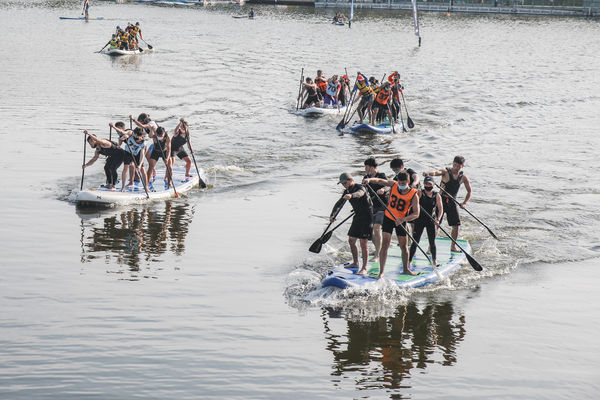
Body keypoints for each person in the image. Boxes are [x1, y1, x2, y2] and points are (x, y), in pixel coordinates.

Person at [363, 172, 420, 278]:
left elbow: (416, 214)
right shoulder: (394, 184)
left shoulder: (413, 194)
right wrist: (369, 180)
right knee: (385, 244)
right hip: (388, 218)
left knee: (403, 246)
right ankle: (381, 272)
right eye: (399, 182)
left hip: (401, 221)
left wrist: (403, 219)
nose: (401, 185)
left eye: (403, 183)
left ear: (408, 182)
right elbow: (380, 181)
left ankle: (406, 269)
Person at [423, 156, 472, 252]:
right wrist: (428, 173)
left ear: (462, 166)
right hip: (440, 201)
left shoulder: (463, 178)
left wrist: (464, 203)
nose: (455, 167)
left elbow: (469, 191)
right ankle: (430, 247)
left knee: (456, 226)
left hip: (452, 202)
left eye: (458, 166)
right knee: (436, 224)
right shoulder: (445, 172)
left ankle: (453, 246)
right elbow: (435, 173)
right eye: (454, 165)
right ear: (452, 163)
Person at [330, 173, 373, 275]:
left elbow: (360, 193)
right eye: (342, 184)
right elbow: (339, 204)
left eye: (345, 183)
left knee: (363, 242)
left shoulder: (361, 187)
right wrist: (333, 215)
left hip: (367, 217)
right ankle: (355, 263)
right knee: (351, 240)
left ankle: (364, 268)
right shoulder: (346, 191)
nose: (344, 185)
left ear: (351, 180)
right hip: (357, 217)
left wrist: (351, 195)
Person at [408, 176, 443, 266]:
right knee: (415, 241)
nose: (428, 185)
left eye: (430, 184)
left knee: (432, 242)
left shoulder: (436, 195)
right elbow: (413, 201)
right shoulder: (420, 193)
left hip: (431, 220)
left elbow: (440, 209)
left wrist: (438, 219)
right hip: (419, 220)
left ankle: (434, 260)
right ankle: (409, 260)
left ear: (433, 185)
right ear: (424, 184)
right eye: (426, 184)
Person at [362, 158, 388, 263]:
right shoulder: (365, 178)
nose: (365, 169)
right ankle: (378, 248)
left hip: (382, 206)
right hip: (371, 207)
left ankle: (377, 255)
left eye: (366, 167)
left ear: (372, 167)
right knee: (370, 231)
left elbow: (388, 186)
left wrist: (383, 190)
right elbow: (363, 191)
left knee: (377, 229)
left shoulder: (381, 175)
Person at [111, 123, 148, 192]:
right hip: (128, 152)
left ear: (141, 136)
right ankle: (123, 187)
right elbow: (123, 132)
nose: (136, 137)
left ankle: (146, 187)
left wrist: (139, 165)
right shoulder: (131, 133)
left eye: (138, 137)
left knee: (142, 169)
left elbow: (142, 155)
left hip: (137, 153)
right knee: (125, 168)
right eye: (135, 135)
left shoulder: (144, 142)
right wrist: (113, 127)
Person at [146, 126, 172, 190]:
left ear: (164, 133)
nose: (160, 137)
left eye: (161, 135)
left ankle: (169, 183)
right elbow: (149, 135)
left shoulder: (167, 137)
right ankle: (146, 184)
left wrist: (167, 158)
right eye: (159, 135)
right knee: (150, 167)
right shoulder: (154, 135)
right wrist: (152, 129)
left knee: (170, 167)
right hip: (156, 151)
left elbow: (169, 150)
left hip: (164, 152)